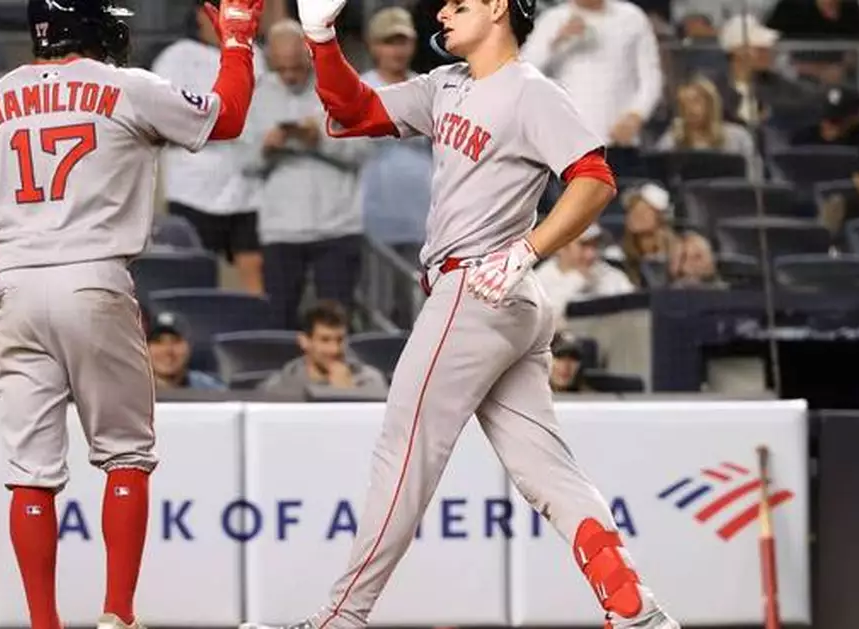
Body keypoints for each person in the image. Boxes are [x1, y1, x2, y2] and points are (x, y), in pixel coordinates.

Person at [239, 1, 679, 629]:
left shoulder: (531, 92)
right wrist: (321, 38)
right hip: (505, 300)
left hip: (478, 286)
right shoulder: (447, 83)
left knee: (404, 451)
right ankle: (633, 607)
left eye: (460, 2)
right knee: (547, 470)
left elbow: (595, 178)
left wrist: (529, 250)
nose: (442, 12)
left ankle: (341, 617)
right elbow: (354, 111)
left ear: (499, 7)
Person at [0, 1, 263, 629]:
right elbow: (229, 118)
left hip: (13, 289)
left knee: (31, 472)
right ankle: (116, 615)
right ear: (90, 24)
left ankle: (43, 623)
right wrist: (239, 42)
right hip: (93, 279)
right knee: (125, 455)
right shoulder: (127, 86)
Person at [243, 20, 370, 329]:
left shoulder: (339, 87)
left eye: (296, 68)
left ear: (309, 56)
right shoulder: (256, 95)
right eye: (282, 69)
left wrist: (320, 142)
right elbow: (243, 163)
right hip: (281, 230)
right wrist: (266, 149)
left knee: (338, 324)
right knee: (279, 323)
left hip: (337, 228)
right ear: (270, 60)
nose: (289, 76)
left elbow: (362, 151)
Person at [153, 0, 267, 294]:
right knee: (196, 274)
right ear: (200, 15)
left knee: (253, 268)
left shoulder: (255, 57)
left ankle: (256, 333)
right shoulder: (175, 58)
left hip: (246, 185)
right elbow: (167, 118)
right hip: (193, 184)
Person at [520, 0, 663, 146]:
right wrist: (555, 42)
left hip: (619, 142)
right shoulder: (553, 20)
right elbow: (522, 72)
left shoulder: (632, 18)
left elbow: (651, 77)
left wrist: (636, 115)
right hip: (568, 145)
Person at [358, 7, 433, 264]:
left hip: (422, 211)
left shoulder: (426, 87)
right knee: (377, 299)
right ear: (373, 46)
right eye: (389, 42)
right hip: (375, 211)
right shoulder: (360, 90)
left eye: (403, 42)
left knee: (419, 297)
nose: (397, 51)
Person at [257, 299, 389, 396]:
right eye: (325, 340)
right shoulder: (278, 388)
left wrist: (347, 390)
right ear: (304, 341)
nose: (334, 349)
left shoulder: (371, 381)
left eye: (340, 340)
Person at [655, 75, 762, 180]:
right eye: (683, 104)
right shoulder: (671, 140)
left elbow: (754, 182)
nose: (690, 109)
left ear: (711, 103)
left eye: (695, 101)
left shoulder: (739, 137)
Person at [537, 224, 636, 318]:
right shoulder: (539, 281)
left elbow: (635, 313)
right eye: (583, 245)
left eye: (595, 245)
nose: (591, 254)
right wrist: (576, 279)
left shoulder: (612, 275)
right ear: (561, 247)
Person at [146, 311, 226, 390]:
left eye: (175, 341)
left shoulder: (211, 390)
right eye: (158, 342)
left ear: (189, 347)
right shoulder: (134, 391)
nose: (168, 350)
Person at [618, 183, 677, 287]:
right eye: (632, 210)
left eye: (643, 211)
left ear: (661, 217)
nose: (635, 215)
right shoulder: (617, 255)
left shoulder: (677, 252)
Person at [790, 85, 859, 147]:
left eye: (836, 121)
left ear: (856, 118)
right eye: (825, 118)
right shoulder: (806, 136)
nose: (827, 124)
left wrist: (836, 141)